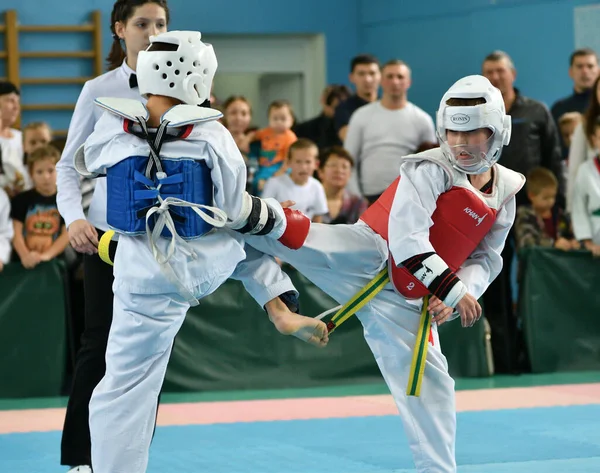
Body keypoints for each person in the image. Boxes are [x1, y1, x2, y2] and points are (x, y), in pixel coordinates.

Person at [74, 30, 327, 473]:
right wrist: (272, 215)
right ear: (197, 81)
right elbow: (231, 208)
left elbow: (87, 160)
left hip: (142, 275)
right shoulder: (212, 135)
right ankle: (278, 303)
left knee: (124, 389)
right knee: (245, 233)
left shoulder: (114, 126)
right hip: (204, 262)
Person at [245, 75, 524, 473]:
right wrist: (450, 288)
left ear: (497, 133)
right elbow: (408, 241)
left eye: (473, 135)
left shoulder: (506, 191)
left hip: (412, 301)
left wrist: (462, 291)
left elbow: (489, 258)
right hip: (371, 253)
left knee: (435, 387)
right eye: (453, 133)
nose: (461, 145)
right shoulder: (429, 168)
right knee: (288, 234)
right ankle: (250, 229)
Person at [55, 2, 170, 471]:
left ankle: (131, 455)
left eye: (161, 24)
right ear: (120, 30)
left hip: (161, 238)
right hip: (104, 237)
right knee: (98, 342)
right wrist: (72, 218)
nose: (152, 32)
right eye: (142, 24)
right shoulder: (97, 89)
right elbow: (66, 166)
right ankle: (81, 460)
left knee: (153, 351)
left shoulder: (185, 88)